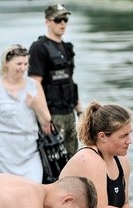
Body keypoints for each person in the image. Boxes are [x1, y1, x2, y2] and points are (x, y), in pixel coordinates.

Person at [0, 44, 53, 183]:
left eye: (26, 64)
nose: (23, 68)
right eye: (19, 63)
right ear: (7, 63)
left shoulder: (34, 86)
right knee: (4, 192)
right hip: (2, 152)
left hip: (29, 149)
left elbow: (46, 120)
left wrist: (36, 105)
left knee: (33, 187)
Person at [29, 4, 82, 159]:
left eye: (65, 19)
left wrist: (80, 111)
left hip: (69, 113)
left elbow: (70, 81)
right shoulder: (39, 48)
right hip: (53, 114)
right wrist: (45, 117)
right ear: (48, 21)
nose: (63, 23)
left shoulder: (67, 48)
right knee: (55, 161)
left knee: (72, 158)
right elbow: (35, 83)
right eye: (58, 20)